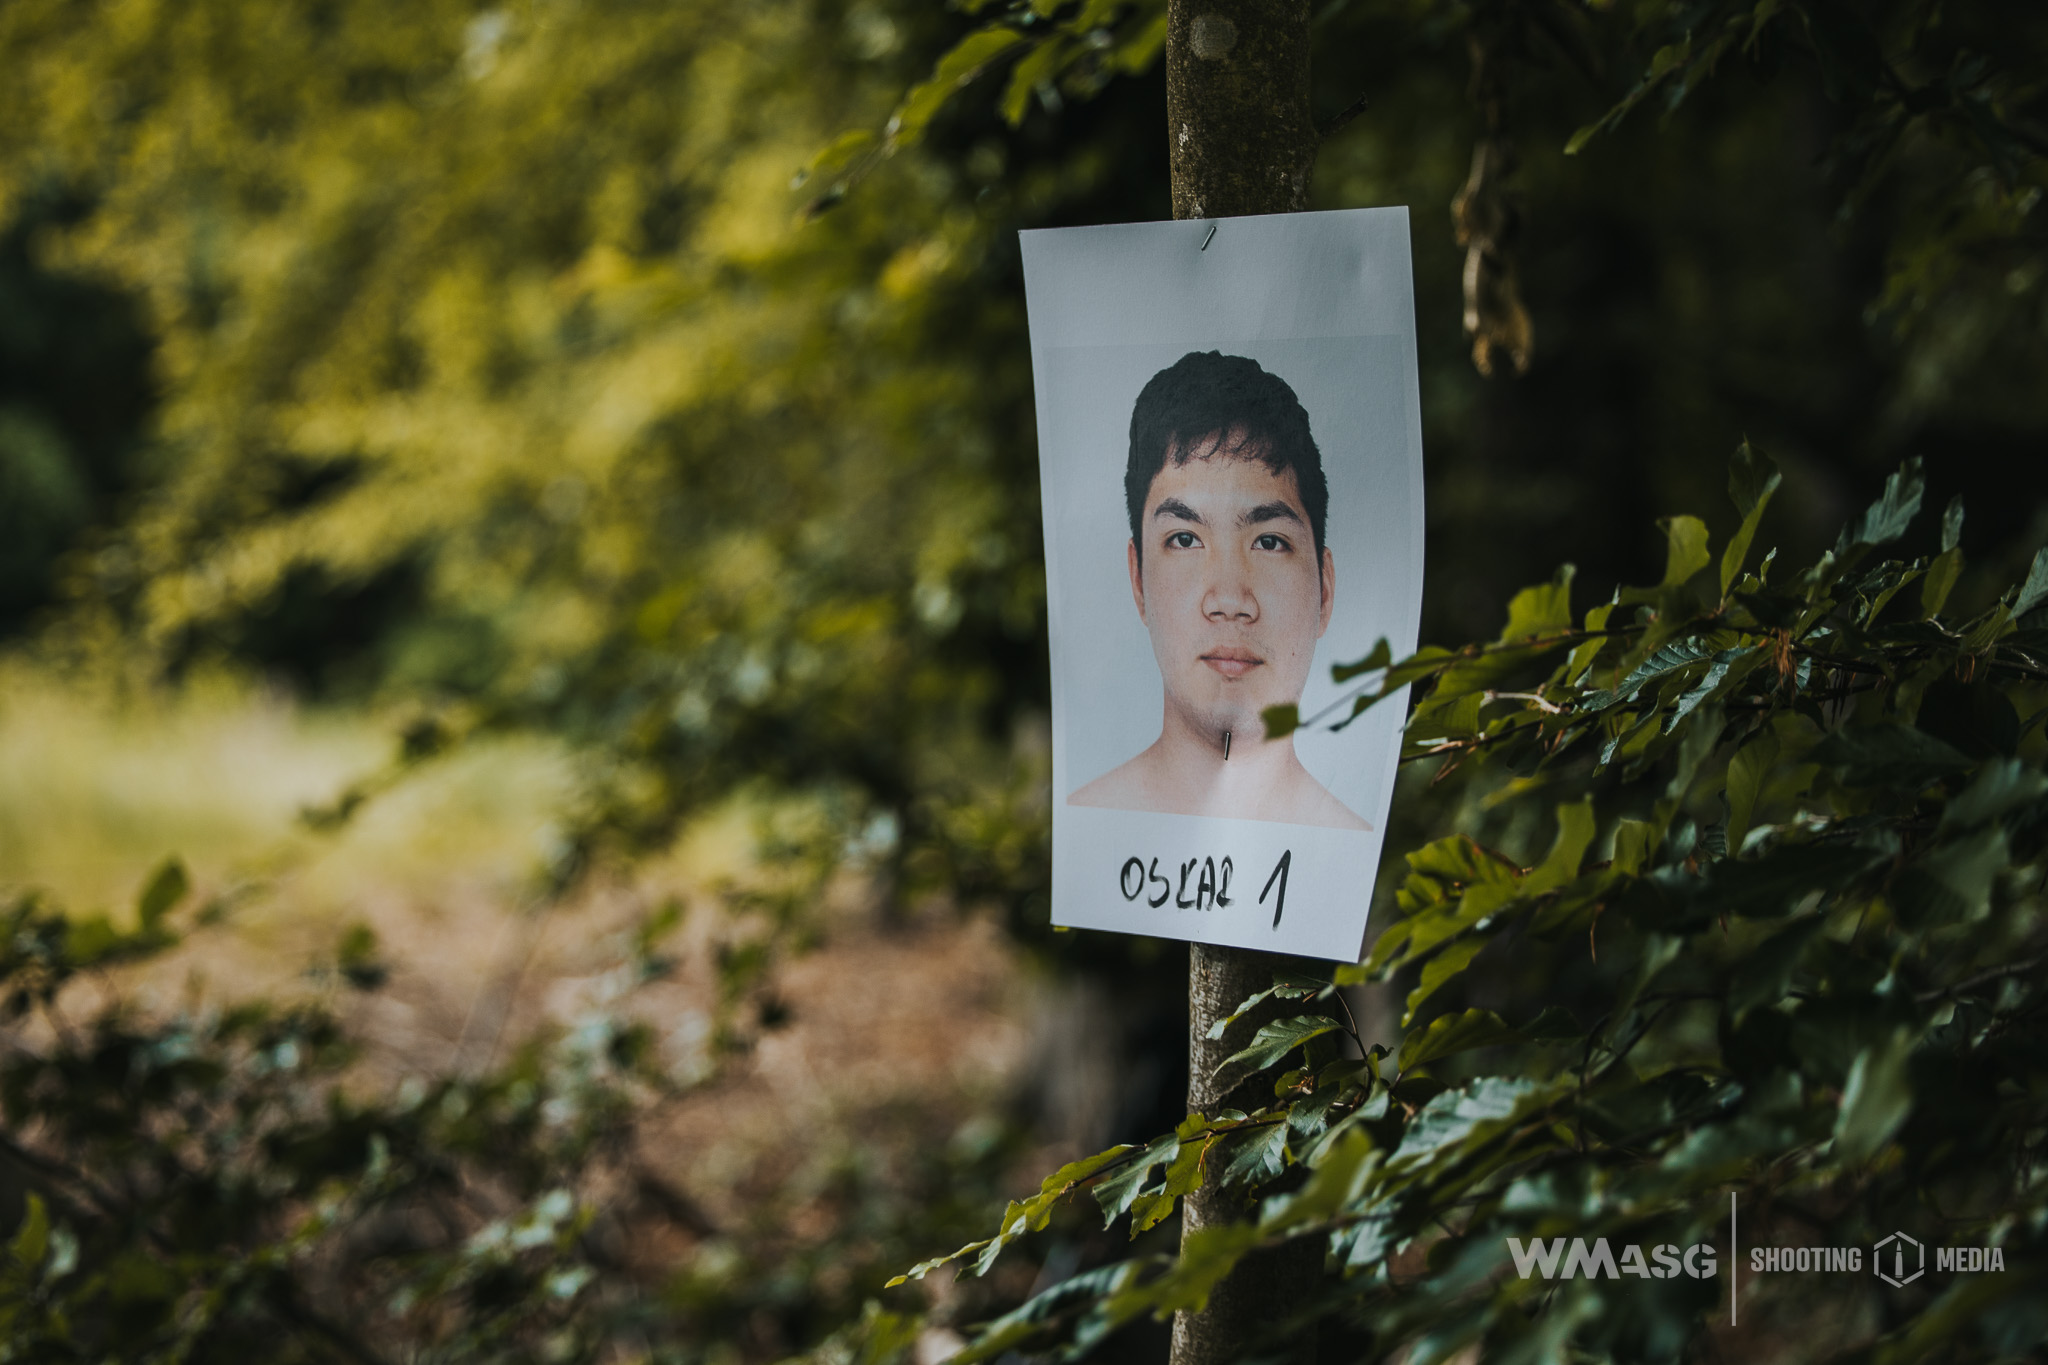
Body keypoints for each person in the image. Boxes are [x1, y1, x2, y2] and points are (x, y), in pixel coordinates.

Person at [1068, 351, 1370, 830]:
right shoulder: (1082, 829)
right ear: (1138, 579)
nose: (1230, 600)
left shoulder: (1359, 858)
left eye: (1269, 542)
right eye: (1185, 540)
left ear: (1325, 591)